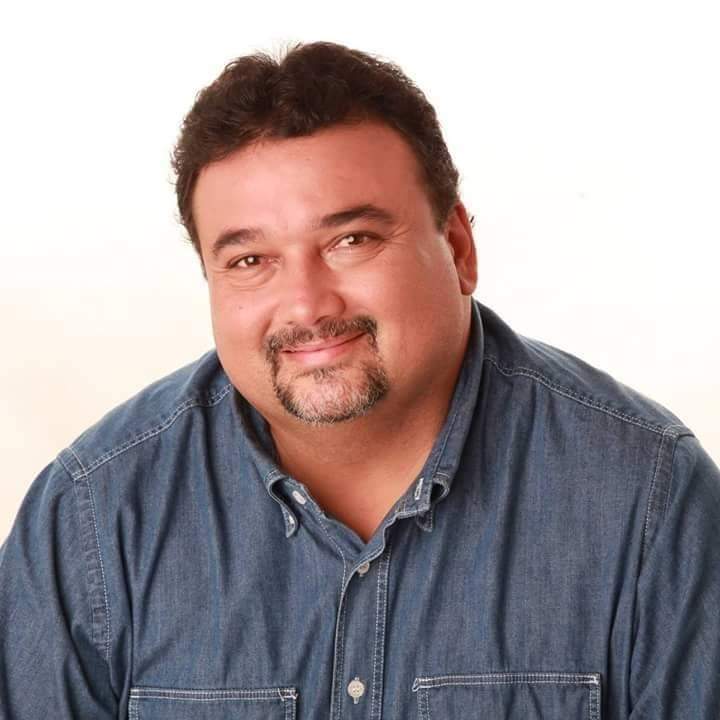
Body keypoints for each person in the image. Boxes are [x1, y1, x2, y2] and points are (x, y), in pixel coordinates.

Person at [0, 40, 718, 720]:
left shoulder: (649, 500)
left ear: (458, 248)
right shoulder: (93, 515)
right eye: (250, 261)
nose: (307, 305)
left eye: (352, 240)